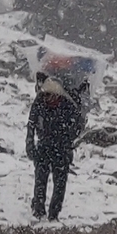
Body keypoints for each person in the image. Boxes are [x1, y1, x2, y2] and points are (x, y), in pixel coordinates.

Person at [24, 75, 86, 220]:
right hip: (44, 145)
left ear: (58, 94)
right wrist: (30, 143)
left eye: (50, 95)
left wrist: (67, 141)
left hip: (62, 148)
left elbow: (77, 126)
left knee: (60, 183)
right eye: (45, 94)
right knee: (40, 179)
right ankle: (38, 209)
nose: (47, 98)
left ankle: (54, 214)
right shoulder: (39, 101)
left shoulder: (68, 104)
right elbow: (31, 123)